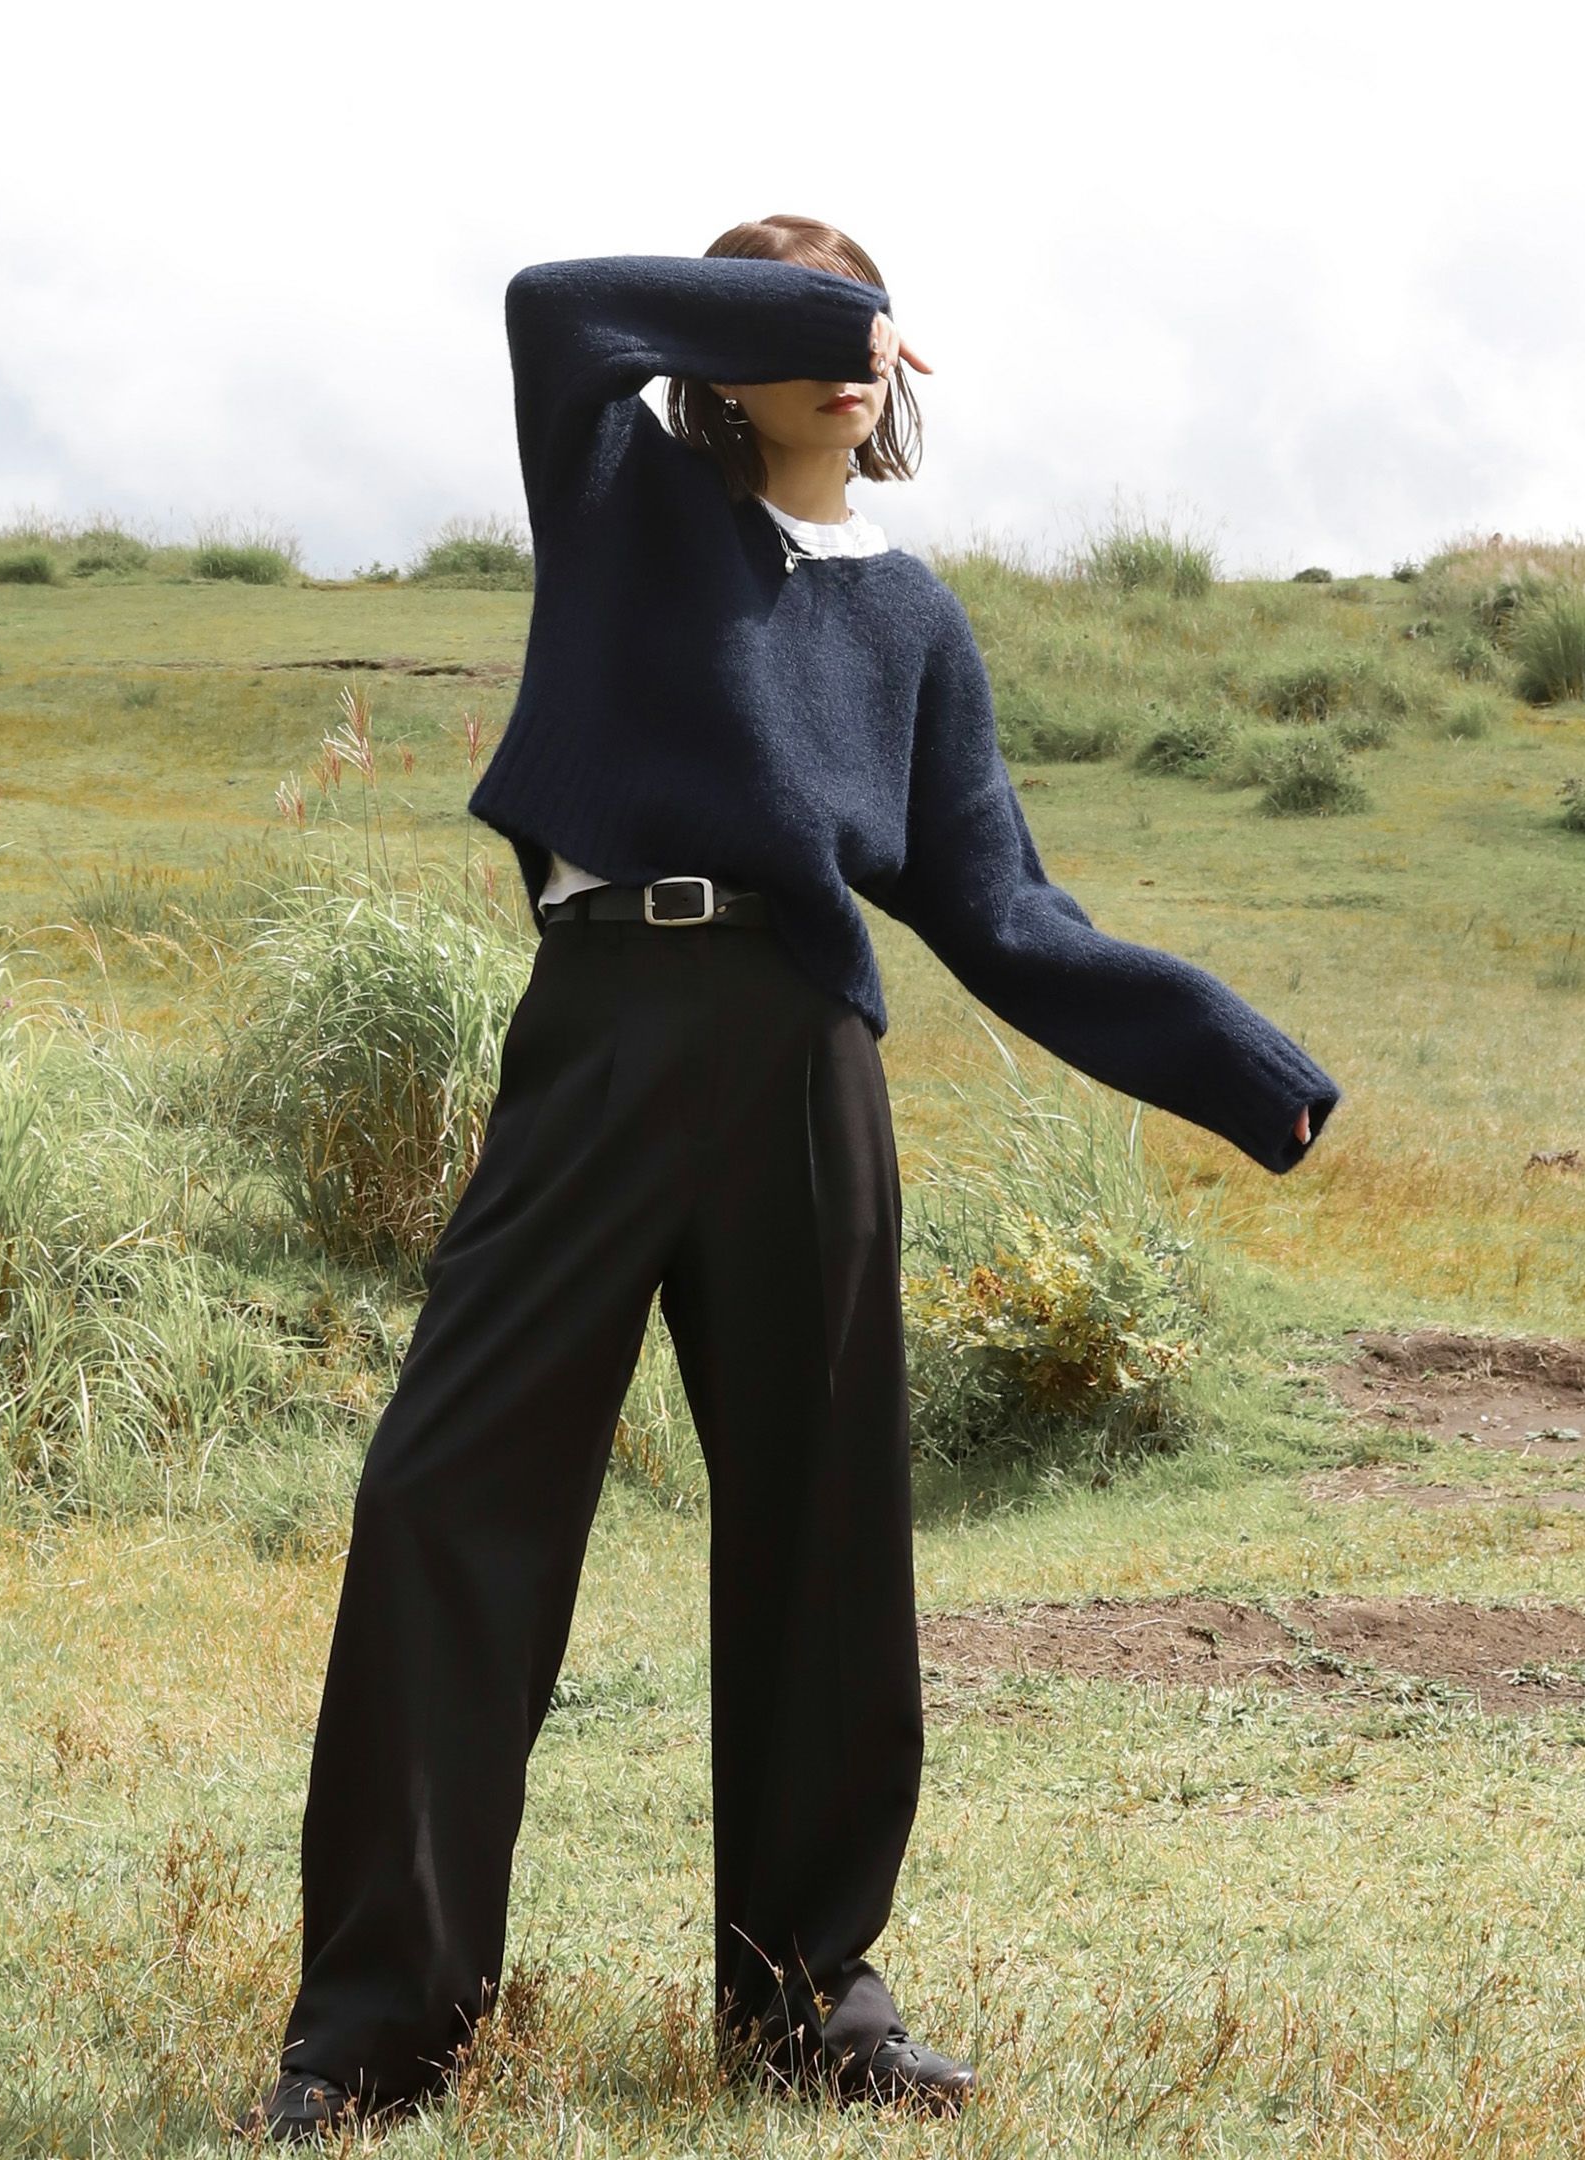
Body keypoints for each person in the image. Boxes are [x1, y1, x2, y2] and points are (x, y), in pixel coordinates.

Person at [255, 213, 1342, 2144]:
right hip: (601, 1029)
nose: (845, 358)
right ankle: (372, 2039)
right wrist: (835, 305)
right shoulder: (625, 504)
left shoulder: (913, 619)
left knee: (825, 1538)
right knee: (445, 1495)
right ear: (725, 352)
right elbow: (557, 308)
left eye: (865, 325)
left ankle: (806, 2011)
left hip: (803, 1057)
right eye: (802, 321)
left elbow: (1005, 914)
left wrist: (1234, 1060)